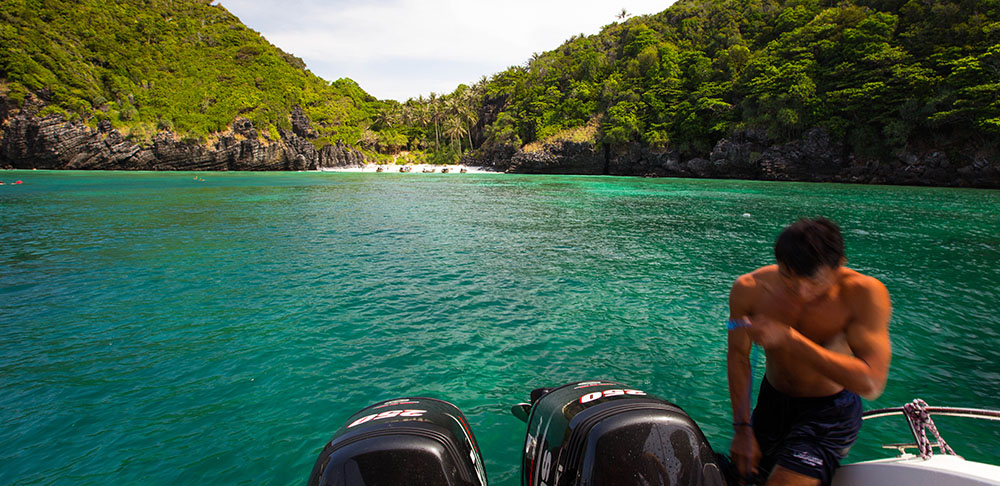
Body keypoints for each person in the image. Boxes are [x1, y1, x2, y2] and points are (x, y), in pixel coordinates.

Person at [727, 217, 892, 486]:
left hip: (829, 414)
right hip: (771, 405)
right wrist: (742, 428)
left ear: (839, 264)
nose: (801, 292)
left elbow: (872, 383)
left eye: (813, 281)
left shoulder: (864, 294)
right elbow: (738, 357)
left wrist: (789, 340)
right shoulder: (749, 289)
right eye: (788, 277)